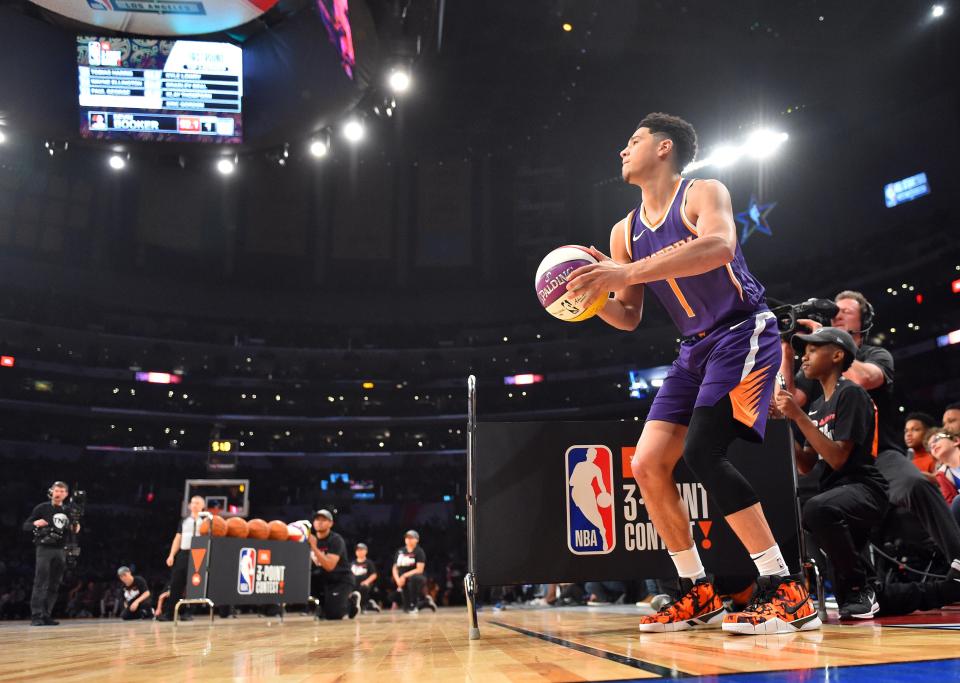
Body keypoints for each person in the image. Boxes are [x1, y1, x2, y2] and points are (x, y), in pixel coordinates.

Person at [566, 112, 818, 635]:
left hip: (742, 330)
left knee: (704, 451)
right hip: (691, 350)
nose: (622, 150)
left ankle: (786, 589)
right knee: (650, 463)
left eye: (632, 140)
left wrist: (625, 272)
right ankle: (696, 590)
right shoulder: (623, 231)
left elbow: (720, 246)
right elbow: (629, 315)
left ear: (664, 148)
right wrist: (590, 296)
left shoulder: (703, 193)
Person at [780, 291, 960, 569]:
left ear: (863, 322)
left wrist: (827, 340)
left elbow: (866, 378)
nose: (836, 315)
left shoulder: (876, 355)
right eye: (834, 311)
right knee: (815, 508)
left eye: (846, 312)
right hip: (837, 461)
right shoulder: (815, 362)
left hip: (880, 455)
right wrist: (786, 347)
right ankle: (858, 587)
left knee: (917, 484)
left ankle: (958, 561)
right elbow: (789, 398)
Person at [776, 327, 889, 618]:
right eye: (805, 350)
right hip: (835, 494)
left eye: (813, 349)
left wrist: (797, 415)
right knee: (881, 602)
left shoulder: (851, 393)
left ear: (837, 355)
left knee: (816, 509)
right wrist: (784, 424)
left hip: (865, 489)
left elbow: (838, 458)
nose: (805, 356)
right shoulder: (815, 406)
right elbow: (806, 464)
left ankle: (859, 587)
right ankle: (869, 589)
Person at [23, 481, 79, 626]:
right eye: (56, 490)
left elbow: (75, 530)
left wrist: (76, 521)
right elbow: (26, 525)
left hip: (61, 550)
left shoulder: (68, 510)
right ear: (51, 492)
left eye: (61, 491)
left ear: (66, 494)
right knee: (40, 582)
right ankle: (36, 616)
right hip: (44, 549)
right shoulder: (42, 508)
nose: (58, 493)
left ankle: (46, 615)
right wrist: (35, 523)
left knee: (54, 584)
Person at [157, 495, 205, 621]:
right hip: (183, 553)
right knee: (176, 583)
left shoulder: (206, 521)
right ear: (189, 505)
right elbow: (178, 538)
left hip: (199, 553)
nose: (194, 505)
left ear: (202, 506)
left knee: (194, 584)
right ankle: (170, 613)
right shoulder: (184, 521)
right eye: (193, 502)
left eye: (197, 503)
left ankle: (188, 612)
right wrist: (171, 555)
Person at [308, 509, 360, 620]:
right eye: (317, 519)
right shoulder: (311, 539)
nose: (319, 522)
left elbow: (329, 566)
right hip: (324, 579)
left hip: (341, 579)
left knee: (334, 615)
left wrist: (314, 548)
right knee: (306, 578)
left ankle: (351, 602)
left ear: (331, 523)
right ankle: (322, 605)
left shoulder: (336, 540)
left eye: (324, 520)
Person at [392, 530, 437, 613]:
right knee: (406, 608)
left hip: (417, 577)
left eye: (411, 538)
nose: (408, 539)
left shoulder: (419, 551)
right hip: (402, 579)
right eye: (407, 538)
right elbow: (395, 568)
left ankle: (414, 603)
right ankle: (425, 603)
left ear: (417, 540)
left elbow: (419, 569)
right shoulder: (400, 551)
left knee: (413, 579)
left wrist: (404, 575)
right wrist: (397, 579)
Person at [928, 429, 960, 527]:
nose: (933, 446)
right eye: (930, 447)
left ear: (955, 441)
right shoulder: (942, 475)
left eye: (937, 439)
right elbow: (951, 506)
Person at [904, 412, 938, 481]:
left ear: (928, 432)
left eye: (915, 429)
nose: (908, 434)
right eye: (906, 431)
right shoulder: (904, 460)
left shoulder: (935, 458)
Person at [350, 543, 381, 612]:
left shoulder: (368, 562)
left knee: (364, 588)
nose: (359, 552)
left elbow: (374, 575)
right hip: (354, 584)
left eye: (361, 550)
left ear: (366, 551)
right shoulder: (352, 563)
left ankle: (363, 606)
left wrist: (366, 582)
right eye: (357, 550)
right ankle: (369, 604)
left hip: (364, 584)